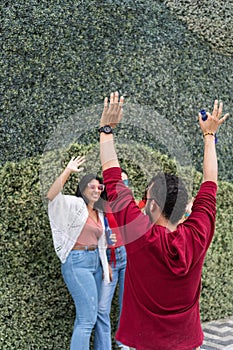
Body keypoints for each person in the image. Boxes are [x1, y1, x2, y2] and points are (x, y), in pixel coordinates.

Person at [98, 92, 229, 350]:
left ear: (153, 205)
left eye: (145, 198)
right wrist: (209, 135)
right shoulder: (198, 233)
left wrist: (106, 130)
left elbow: (113, 180)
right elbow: (210, 183)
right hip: (187, 342)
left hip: (143, 343)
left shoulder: (139, 235)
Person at [47, 156, 111, 350]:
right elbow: (51, 196)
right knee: (87, 319)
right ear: (82, 189)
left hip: (95, 263)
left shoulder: (99, 213)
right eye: (91, 186)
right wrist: (68, 170)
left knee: (89, 317)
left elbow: (101, 244)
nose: (96, 190)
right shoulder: (74, 205)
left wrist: (105, 264)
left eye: (99, 187)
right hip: (77, 262)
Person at [94, 170, 129, 350]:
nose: (122, 185)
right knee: (101, 309)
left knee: (127, 305)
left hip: (127, 256)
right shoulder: (99, 206)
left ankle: (123, 343)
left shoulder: (127, 206)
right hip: (108, 258)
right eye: (119, 182)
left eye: (125, 181)